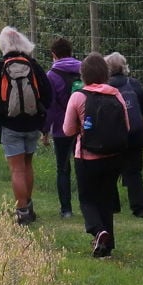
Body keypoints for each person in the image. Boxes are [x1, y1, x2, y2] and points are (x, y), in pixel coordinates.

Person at [63, 52, 128, 258]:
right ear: (105, 73)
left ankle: (98, 231)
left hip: (86, 156)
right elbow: (126, 125)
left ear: (83, 74)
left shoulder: (78, 96)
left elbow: (67, 130)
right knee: (106, 200)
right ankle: (106, 249)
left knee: (87, 199)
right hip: (113, 156)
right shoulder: (115, 94)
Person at [0, 26, 51, 225]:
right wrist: (40, 117)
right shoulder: (33, 65)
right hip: (32, 123)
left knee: (16, 170)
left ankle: (21, 211)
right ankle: (28, 205)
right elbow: (47, 94)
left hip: (10, 124)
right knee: (28, 165)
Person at [105, 52, 143, 218]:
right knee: (134, 172)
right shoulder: (133, 83)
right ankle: (139, 208)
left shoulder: (105, 87)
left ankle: (112, 206)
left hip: (113, 135)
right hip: (136, 135)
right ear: (124, 66)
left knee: (110, 171)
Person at [42, 37, 83, 218]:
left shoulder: (51, 76)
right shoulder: (84, 70)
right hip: (84, 127)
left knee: (63, 168)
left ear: (53, 55)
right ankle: (87, 204)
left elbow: (49, 106)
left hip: (61, 128)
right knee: (83, 166)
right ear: (71, 51)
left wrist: (45, 131)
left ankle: (66, 209)